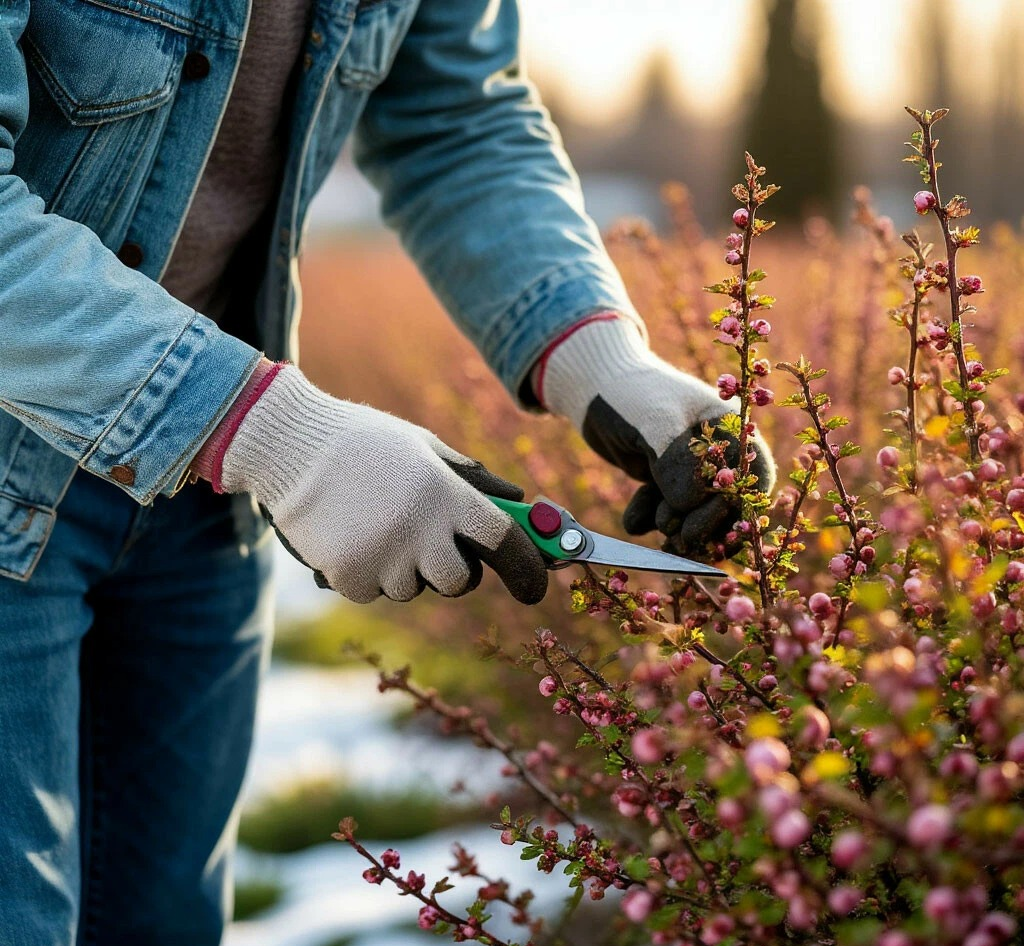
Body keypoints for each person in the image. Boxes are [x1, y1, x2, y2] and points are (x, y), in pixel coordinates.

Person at [0, 1, 775, 943]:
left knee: (162, 921)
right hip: (60, 447)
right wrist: (279, 433)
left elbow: (459, 123)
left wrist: (601, 360)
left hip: (204, 500)